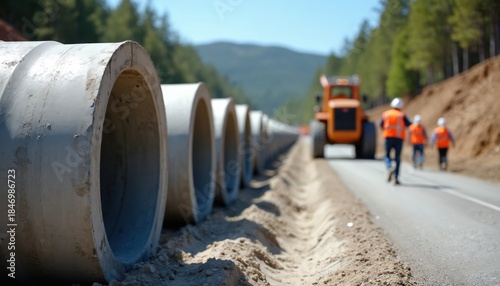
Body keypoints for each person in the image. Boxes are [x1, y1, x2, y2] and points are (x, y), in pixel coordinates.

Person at [380, 97, 412, 185]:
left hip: (388, 138)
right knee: (397, 158)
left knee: (387, 156)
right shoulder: (402, 115)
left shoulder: (386, 114)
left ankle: (389, 167)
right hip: (399, 138)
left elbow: (381, 124)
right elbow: (409, 124)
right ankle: (396, 178)